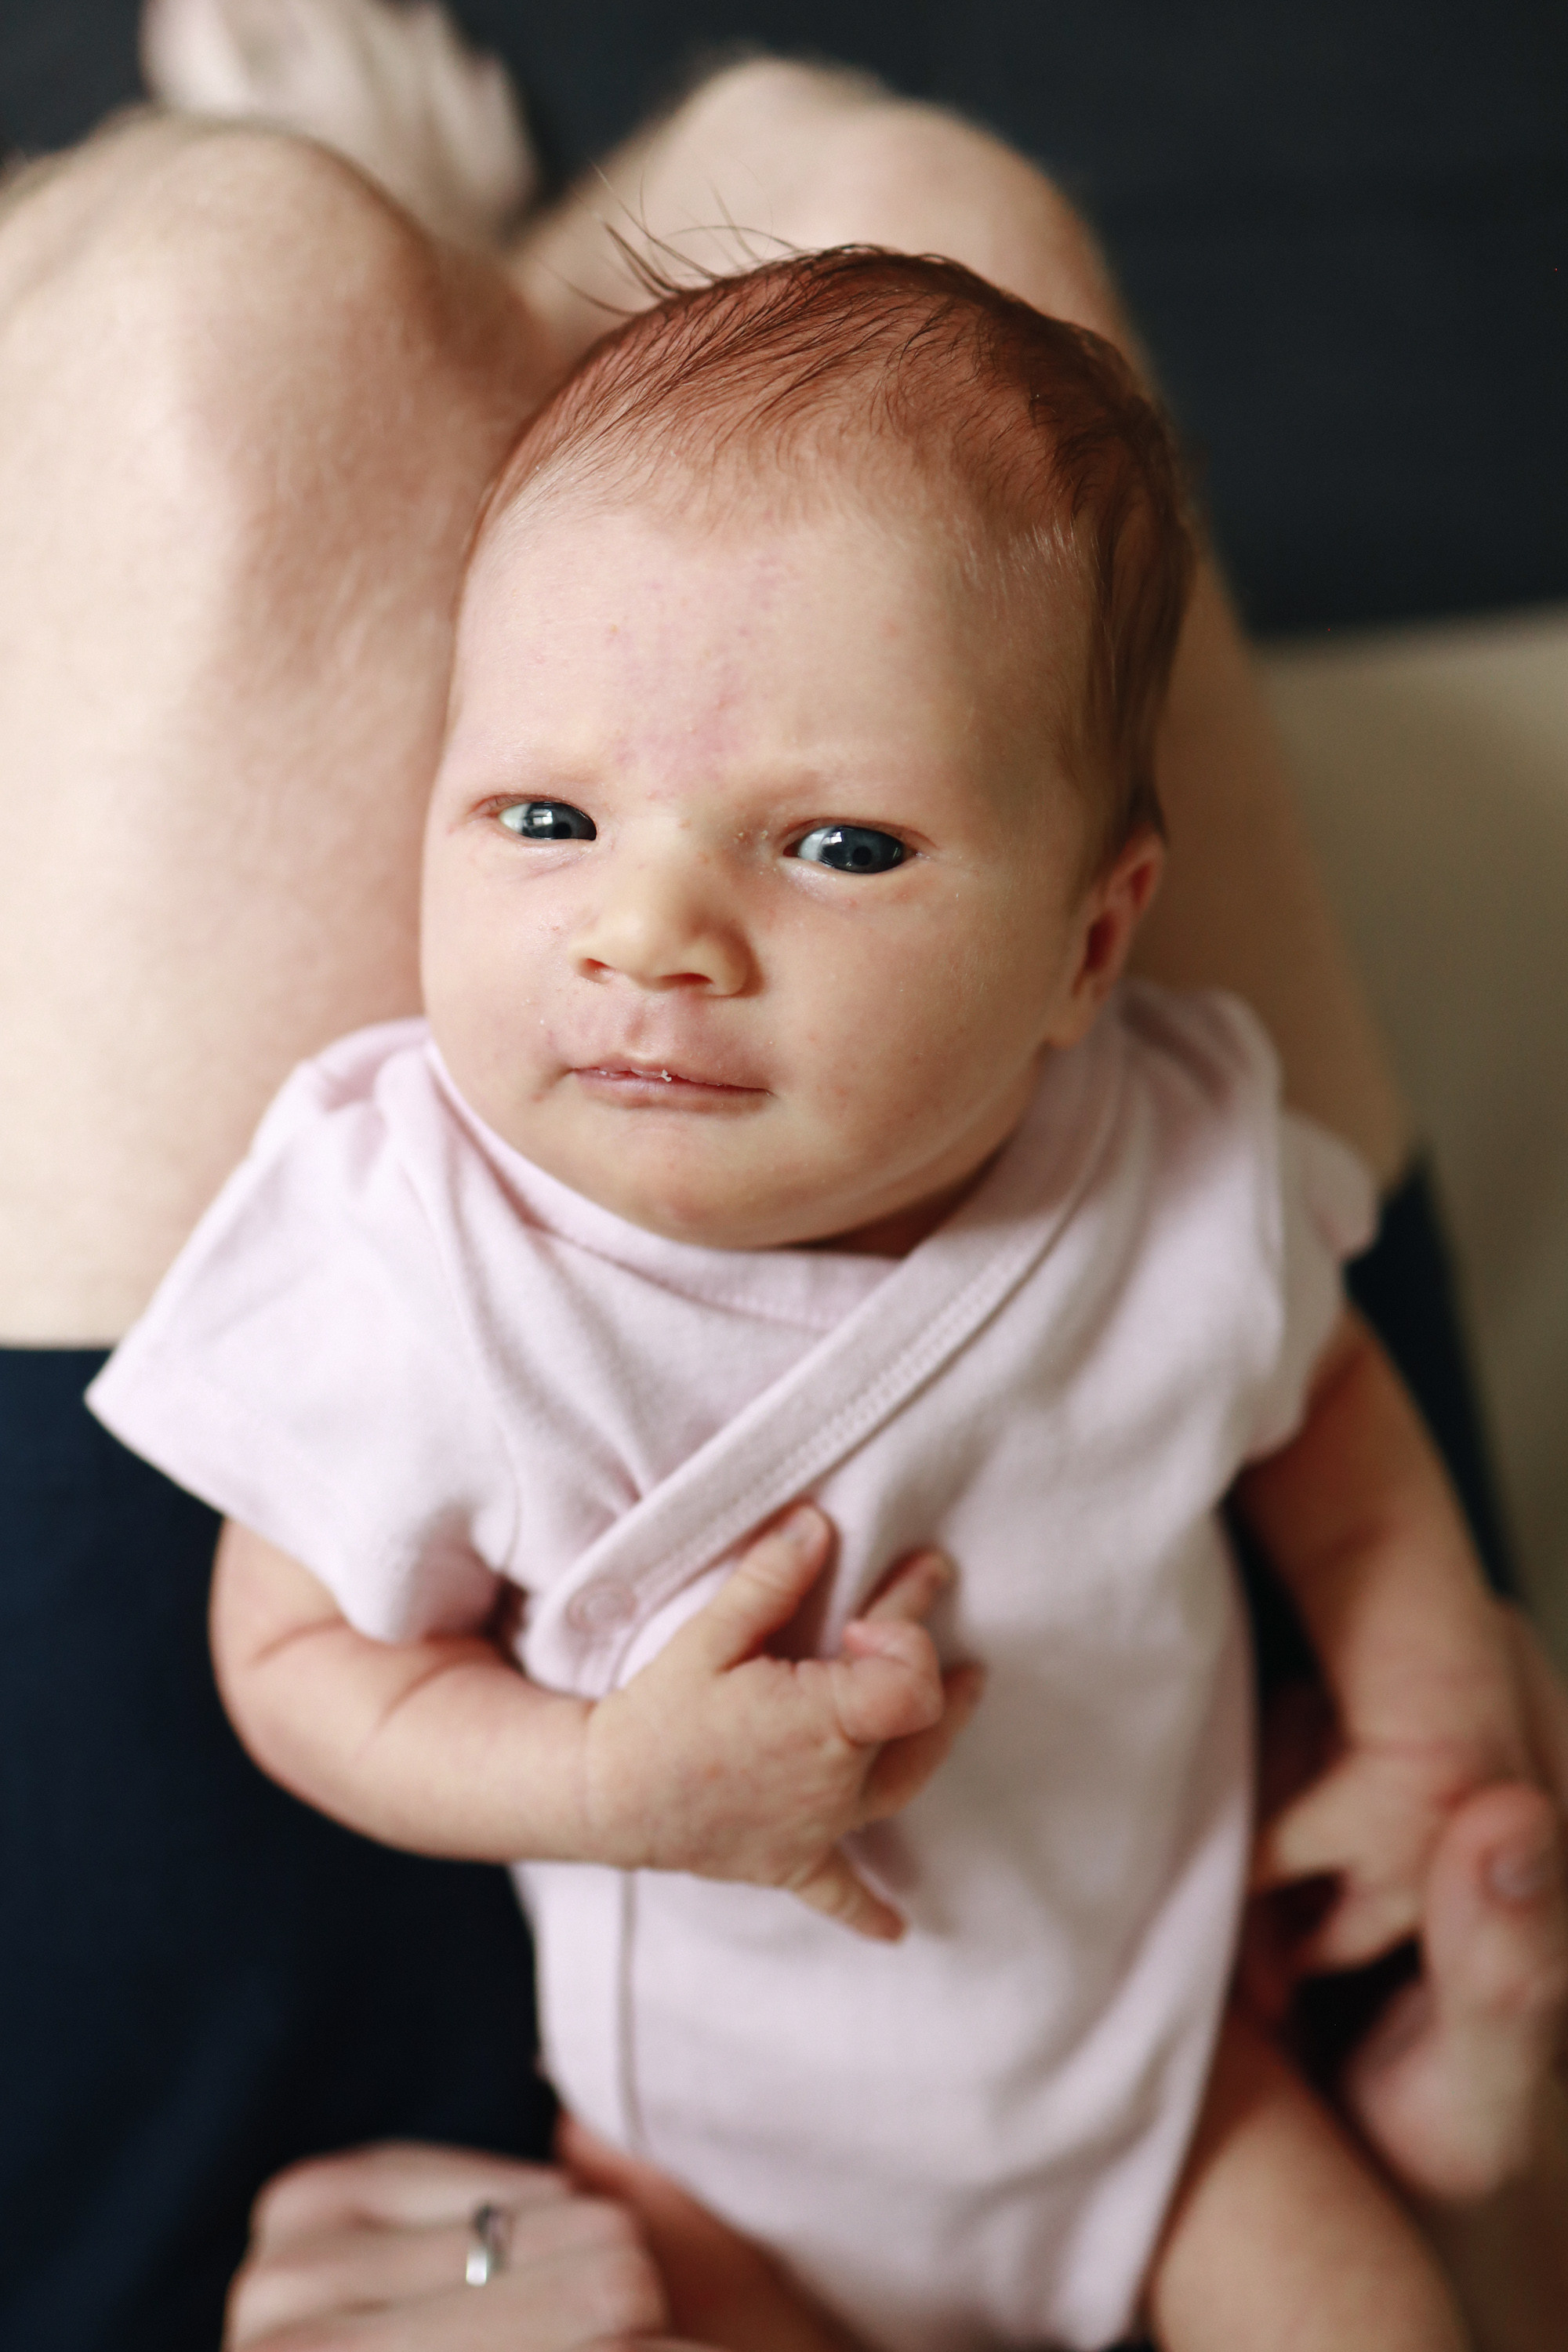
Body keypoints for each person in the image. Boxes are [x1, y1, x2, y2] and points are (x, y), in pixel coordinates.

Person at [0, 9, 1562, 2347]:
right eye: (544, 824)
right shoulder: (1149, 1151)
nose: (644, 937)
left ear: (1090, 946)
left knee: (236, 334)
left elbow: (304, 1663)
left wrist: (603, 1777)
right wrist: (1434, 1700)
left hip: (696, 2186)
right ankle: (587, 314)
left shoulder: (418, 1261)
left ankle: (387, 269)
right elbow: (1314, 1399)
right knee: (940, 248)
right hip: (1207, 2074)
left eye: (837, 852)